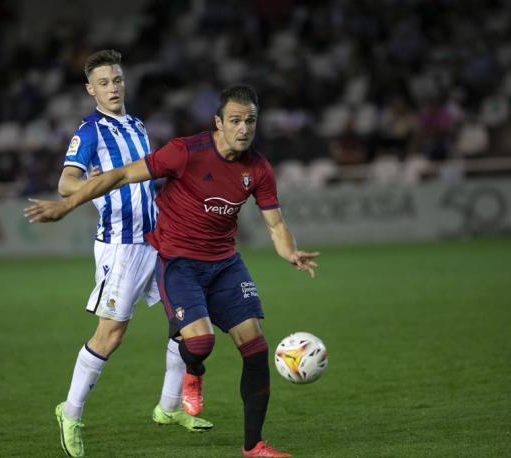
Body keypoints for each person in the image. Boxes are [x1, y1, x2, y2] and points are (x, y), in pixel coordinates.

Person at [25, 84, 319, 457]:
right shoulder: (185, 152)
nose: (243, 128)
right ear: (218, 123)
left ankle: (253, 446)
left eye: (250, 121)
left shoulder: (257, 168)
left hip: (226, 264)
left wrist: (290, 253)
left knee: (256, 348)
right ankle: (192, 373)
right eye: (235, 121)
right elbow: (118, 176)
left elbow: (275, 225)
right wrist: (65, 206)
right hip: (179, 262)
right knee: (199, 343)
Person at [50, 49, 213, 458]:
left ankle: (169, 407)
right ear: (90, 90)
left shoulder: (137, 124)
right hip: (122, 247)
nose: (112, 88)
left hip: (159, 238)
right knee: (112, 334)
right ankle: (70, 413)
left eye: (117, 80)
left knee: (186, 319)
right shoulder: (89, 132)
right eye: (103, 83)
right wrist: (104, 184)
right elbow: (66, 184)